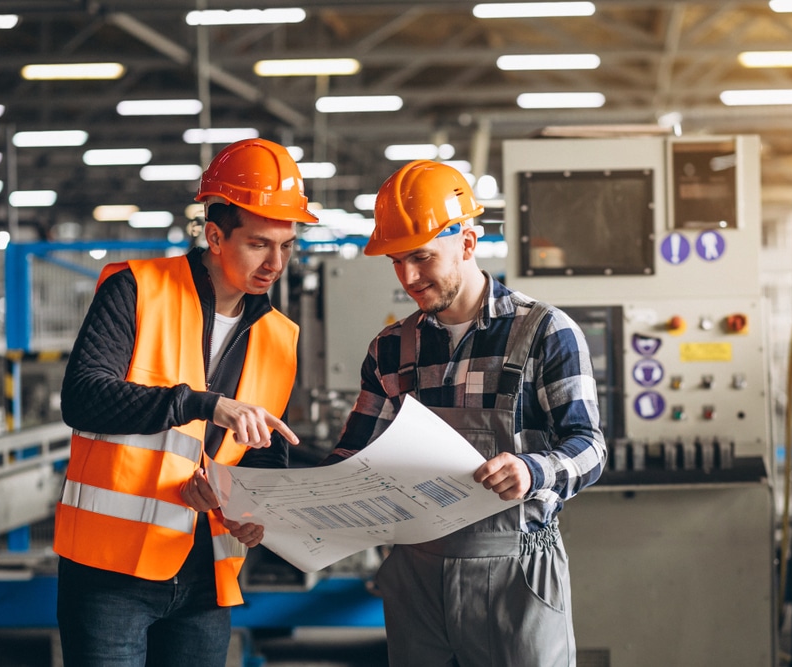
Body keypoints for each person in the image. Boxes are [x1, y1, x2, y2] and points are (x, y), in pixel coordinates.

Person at [323, 160, 607, 666]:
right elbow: (354, 457)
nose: (408, 277)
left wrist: (531, 469)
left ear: (468, 244)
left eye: (421, 258)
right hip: (415, 574)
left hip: (514, 575)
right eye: (395, 261)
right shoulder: (390, 347)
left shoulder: (546, 333)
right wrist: (288, 510)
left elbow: (589, 446)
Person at [54, 138, 318, 667]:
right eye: (260, 244)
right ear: (215, 235)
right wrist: (204, 404)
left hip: (206, 579)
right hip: (111, 574)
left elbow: (264, 456)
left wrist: (251, 514)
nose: (276, 262)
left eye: (287, 246)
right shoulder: (136, 289)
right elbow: (83, 398)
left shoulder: (279, 337)